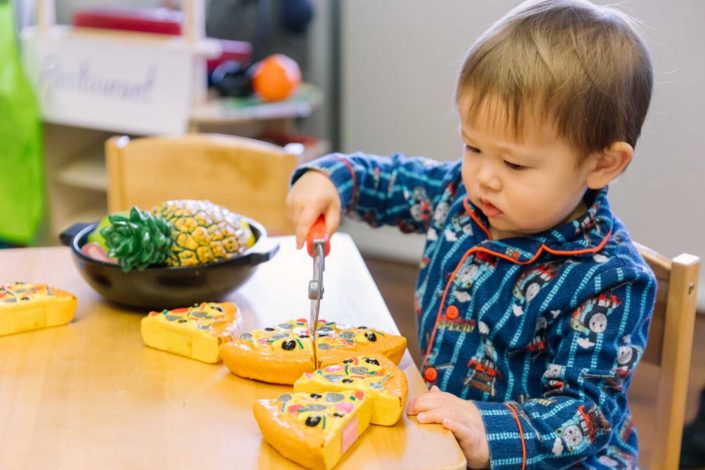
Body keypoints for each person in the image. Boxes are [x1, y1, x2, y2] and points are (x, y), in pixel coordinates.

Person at [286, 0, 655, 467]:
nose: (483, 177)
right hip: (448, 432)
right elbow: (387, 180)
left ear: (603, 163)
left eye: (515, 163)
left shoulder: (614, 281)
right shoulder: (461, 194)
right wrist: (329, 178)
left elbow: (587, 415)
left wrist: (489, 430)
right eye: (472, 146)